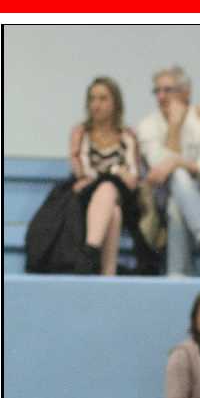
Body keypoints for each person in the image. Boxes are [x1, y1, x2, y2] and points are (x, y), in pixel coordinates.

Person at [136, 65, 200, 276]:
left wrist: (176, 163)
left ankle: (177, 276)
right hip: (160, 199)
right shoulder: (147, 125)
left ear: (186, 92)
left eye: (168, 90)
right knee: (176, 183)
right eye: (157, 91)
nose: (161, 96)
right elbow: (159, 167)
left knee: (177, 203)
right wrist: (174, 128)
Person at [68, 76, 153, 275]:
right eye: (92, 99)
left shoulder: (127, 135)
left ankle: (90, 251)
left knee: (109, 188)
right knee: (112, 209)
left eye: (103, 98)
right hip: (88, 197)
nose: (96, 104)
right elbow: (82, 172)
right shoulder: (81, 133)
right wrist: (116, 171)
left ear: (116, 103)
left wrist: (112, 174)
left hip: (125, 198)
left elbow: (132, 177)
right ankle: (108, 274)